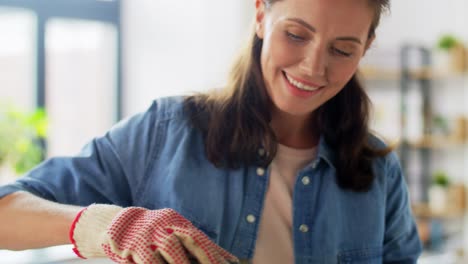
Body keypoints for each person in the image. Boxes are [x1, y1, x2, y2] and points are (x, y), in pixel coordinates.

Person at [0, 0, 422, 263]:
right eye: (295, 34)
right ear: (260, 15)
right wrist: (105, 225)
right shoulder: (165, 133)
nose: (313, 66)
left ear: (365, 48)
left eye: (343, 50)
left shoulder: (377, 170)